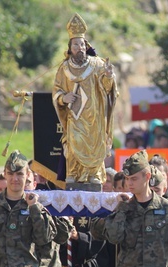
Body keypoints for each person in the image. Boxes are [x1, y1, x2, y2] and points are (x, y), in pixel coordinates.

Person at [53, 13, 118, 185]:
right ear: (70, 47)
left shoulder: (97, 64)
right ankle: (73, 173)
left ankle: (94, 174)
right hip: (75, 117)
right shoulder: (64, 68)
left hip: (94, 117)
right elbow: (56, 91)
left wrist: (109, 76)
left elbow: (107, 88)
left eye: (82, 44)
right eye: (76, 44)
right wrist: (63, 98)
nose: (79, 48)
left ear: (86, 45)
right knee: (74, 144)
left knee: (95, 145)